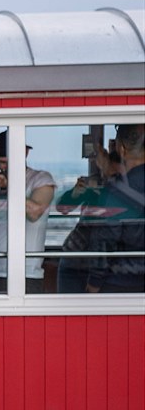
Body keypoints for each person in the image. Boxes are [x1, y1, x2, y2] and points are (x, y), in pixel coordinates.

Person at [0, 130, 56, 293]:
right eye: (2, 162)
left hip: (26, 273)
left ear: (25, 153)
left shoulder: (40, 179)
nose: (6, 167)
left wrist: (8, 186)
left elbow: (34, 213)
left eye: (10, 161)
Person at [55, 143, 125, 293]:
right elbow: (62, 208)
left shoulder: (125, 189)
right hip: (75, 256)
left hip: (104, 261)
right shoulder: (95, 182)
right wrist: (75, 193)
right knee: (66, 308)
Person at [84, 124, 145, 293]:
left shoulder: (115, 192)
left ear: (122, 149)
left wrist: (94, 282)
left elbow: (105, 240)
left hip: (121, 282)